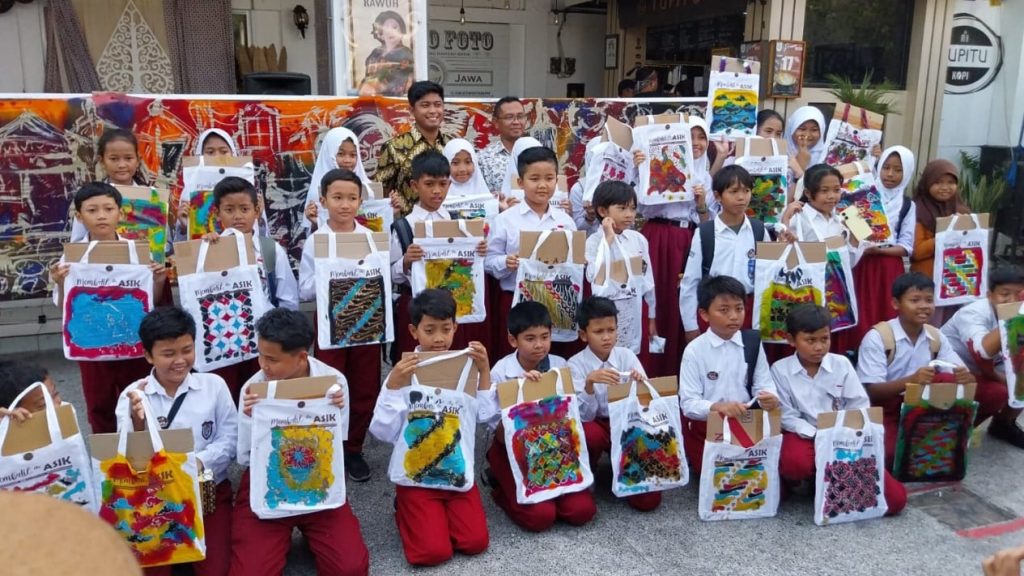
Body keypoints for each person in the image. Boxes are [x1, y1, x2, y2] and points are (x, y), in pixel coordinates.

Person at [232, 308, 369, 576]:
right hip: (268, 478)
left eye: (272, 359)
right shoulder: (254, 389)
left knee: (350, 568)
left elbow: (334, 444)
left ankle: (314, 531)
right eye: (260, 354)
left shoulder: (333, 383)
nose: (263, 365)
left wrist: (332, 411)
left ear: (301, 357)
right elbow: (248, 457)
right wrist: (252, 418)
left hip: (317, 474)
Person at [369, 289, 491, 566]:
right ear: (413, 331)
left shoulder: (466, 366)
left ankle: (435, 515)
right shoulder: (404, 370)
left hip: (456, 471)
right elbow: (382, 431)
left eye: (446, 329)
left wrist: (484, 371)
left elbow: (485, 416)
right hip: (416, 475)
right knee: (432, 553)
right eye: (429, 330)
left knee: (474, 543)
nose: (438, 338)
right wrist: (392, 385)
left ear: (455, 328)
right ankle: (406, 509)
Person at [117, 306, 238, 576]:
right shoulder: (133, 395)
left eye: (187, 350)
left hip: (208, 494)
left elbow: (230, 438)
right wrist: (136, 421)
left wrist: (196, 463)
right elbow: (126, 458)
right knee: (150, 566)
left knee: (216, 569)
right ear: (148, 355)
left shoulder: (214, 386)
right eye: (168, 354)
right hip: (154, 498)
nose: (180, 360)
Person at [49, 182, 166, 434]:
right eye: (92, 210)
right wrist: (60, 282)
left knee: (140, 399)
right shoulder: (71, 258)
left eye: (108, 209)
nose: (101, 215)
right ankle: (106, 457)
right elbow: (65, 308)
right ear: (79, 216)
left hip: (131, 341)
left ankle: (145, 450)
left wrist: (157, 280)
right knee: (99, 403)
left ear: (120, 213)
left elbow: (149, 301)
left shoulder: (137, 251)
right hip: (93, 345)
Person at [771, 304, 907, 515]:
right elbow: (786, 416)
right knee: (795, 463)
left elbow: (859, 404)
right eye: (810, 340)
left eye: (824, 339)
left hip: (843, 436)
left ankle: (828, 481)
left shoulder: (841, 364)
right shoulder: (780, 369)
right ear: (791, 340)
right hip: (806, 434)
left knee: (896, 501)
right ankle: (812, 480)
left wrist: (843, 435)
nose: (819, 347)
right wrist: (817, 435)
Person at [298, 168, 379, 482]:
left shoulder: (371, 238)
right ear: (323, 200)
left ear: (360, 201)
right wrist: (328, 275)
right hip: (330, 325)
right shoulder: (316, 242)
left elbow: (385, 276)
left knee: (364, 388)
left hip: (367, 324)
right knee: (330, 386)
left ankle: (353, 448)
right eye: (337, 198)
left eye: (352, 198)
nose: (345, 205)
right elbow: (303, 289)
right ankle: (328, 444)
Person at [856, 272, 973, 466]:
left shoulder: (935, 336)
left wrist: (964, 376)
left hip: (922, 404)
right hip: (887, 407)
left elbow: (961, 373)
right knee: (890, 455)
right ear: (896, 304)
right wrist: (911, 380)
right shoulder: (879, 337)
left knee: (958, 384)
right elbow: (871, 392)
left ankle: (948, 437)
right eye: (915, 300)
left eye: (929, 300)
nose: (924, 306)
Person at [199, 176, 299, 399]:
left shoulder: (270, 250)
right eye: (229, 210)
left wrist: (282, 337)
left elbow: (288, 299)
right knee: (225, 396)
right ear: (218, 213)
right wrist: (206, 252)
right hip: (222, 343)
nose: (237, 216)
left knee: (261, 398)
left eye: (244, 209)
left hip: (263, 343)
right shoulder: (206, 250)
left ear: (256, 210)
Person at [637, 118, 714, 375]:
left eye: (701, 137)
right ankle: (652, 369)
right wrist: (643, 172)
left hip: (688, 240)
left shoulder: (706, 177)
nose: (696, 143)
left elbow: (707, 221)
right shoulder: (657, 165)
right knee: (655, 300)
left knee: (683, 300)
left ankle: (681, 372)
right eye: (689, 137)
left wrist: (701, 201)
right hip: (657, 238)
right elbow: (642, 208)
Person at [678, 275, 779, 473]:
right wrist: (719, 407)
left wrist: (770, 397)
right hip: (708, 426)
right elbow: (689, 404)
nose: (734, 316)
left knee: (765, 482)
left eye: (739, 308)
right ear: (704, 314)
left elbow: (763, 384)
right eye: (724, 310)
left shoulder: (752, 342)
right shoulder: (695, 350)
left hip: (747, 422)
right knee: (721, 477)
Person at [569, 296, 660, 511]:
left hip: (628, 423)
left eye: (611, 330)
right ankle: (587, 470)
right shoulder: (575, 364)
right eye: (598, 332)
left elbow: (648, 405)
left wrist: (640, 385)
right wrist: (589, 384)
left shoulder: (626, 356)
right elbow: (582, 417)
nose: (606, 337)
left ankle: (626, 470)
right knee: (588, 432)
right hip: (598, 425)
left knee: (648, 502)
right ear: (583, 335)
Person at [485, 146, 577, 359]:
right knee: (517, 361)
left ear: (557, 180)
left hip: (557, 304)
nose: (543, 185)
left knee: (554, 361)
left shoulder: (566, 221)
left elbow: (575, 264)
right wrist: (505, 262)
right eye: (534, 179)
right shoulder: (506, 220)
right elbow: (488, 260)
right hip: (516, 303)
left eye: (549, 178)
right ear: (520, 182)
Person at [680, 165, 785, 342]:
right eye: (734, 191)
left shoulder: (759, 230)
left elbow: (770, 275)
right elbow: (691, 281)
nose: (741, 197)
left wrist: (783, 248)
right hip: (716, 311)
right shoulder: (705, 233)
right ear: (718, 195)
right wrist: (690, 325)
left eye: (746, 191)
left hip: (750, 310)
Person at [940, 266, 1024, 447]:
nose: (1012, 300)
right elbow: (981, 351)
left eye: (1019, 294)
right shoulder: (973, 312)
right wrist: (1012, 317)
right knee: (998, 392)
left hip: (992, 367)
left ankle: (1003, 424)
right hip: (955, 368)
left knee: (1020, 380)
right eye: (1004, 294)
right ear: (989, 295)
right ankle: (954, 429)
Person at [848, 145, 916, 346]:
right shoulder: (862, 194)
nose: (890, 174)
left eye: (898, 170)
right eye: (886, 167)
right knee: (860, 308)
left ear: (908, 172)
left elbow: (906, 246)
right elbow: (851, 226)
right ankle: (856, 351)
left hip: (888, 267)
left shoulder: (907, 205)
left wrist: (880, 250)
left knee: (884, 310)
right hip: (861, 264)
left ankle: (885, 349)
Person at [584, 181, 656, 359]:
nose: (629, 215)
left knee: (630, 360)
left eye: (632, 209)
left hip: (634, 311)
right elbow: (595, 277)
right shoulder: (593, 242)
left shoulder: (638, 240)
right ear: (602, 211)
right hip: (605, 316)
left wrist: (652, 316)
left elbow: (647, 281)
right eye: (622, 208)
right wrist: (608, 239)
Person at [911, 159, 970, 325]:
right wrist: (946, 236)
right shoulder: (918, 210)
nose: (945, 187)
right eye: (938, 182)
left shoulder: (962, 211)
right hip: (928, 282)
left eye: (951, 182)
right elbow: (917, 251)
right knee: (930, 326)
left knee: (951, 326)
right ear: (927, 183)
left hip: (955, 280)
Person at [377, 81, 449, 217]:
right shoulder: (395, 147)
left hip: (448, 226)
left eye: (438, 105)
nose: (433, 111)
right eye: (425, 105)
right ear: (411, 110)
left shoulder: (452, 145)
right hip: (408, 230)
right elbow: (380, 192)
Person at [70, 129, 150, 242]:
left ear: (138, 160)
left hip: (143, 259)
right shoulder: (90, 196)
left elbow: (163, 243)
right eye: (114, 159)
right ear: (102, 161)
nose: (122, 165)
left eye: (128, 158)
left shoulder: (152, 197)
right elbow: (77, 243)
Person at [304, 127, 372, 230]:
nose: (347, 160)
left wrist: (391, 211)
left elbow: (378, 220)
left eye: (353, 155)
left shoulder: (368, 188)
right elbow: (316, 236)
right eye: (340, 154)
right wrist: (315, 222)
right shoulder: (317, 193)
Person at [489, 301, 569, 383]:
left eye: (544, 337)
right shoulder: (500, 372)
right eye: (530, 339)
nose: (539, 345)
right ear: (513, 340)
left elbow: (568, 395)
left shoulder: (560, 365)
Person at [478, 96, 528, 195]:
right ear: (496, 122)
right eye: (509, 117)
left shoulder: (540, 153)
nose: (516, 122)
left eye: (520, 116)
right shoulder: (484, 158)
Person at [358, 10, 415, 97]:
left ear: (401, 31)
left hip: (395, 100)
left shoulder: (406, 53)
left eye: (394, 27)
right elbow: (368, 77)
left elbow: (404, 82)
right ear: (380, 33)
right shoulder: (375, 53)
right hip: (372, 99)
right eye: (386, 28)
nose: (390, 31)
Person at [784, 106, 827, 182]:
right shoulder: (780, 153)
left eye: (814, 130)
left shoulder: (826, 157)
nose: (807, 135)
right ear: (792, 129)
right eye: (802, 129)